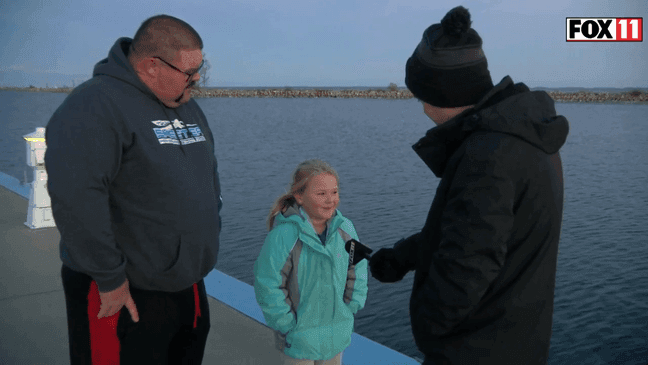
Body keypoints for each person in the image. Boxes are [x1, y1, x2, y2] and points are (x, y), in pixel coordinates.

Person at [369, 6, 569, 365]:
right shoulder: (524, 137)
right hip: (518, 345)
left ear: (440, 94)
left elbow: (469, 265)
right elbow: (470, 229)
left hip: (474, 353)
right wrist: (403, 257)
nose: (421, 107)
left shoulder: (488, 157)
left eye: (421, 95)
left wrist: (429, 331)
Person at [44, 14, 222, 364]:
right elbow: (77, 199)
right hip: (122, 291)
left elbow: (208, 176)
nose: (197, 78)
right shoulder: (94, 105)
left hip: (186, 285)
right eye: (190, 71)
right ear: (151, 66)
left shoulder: (187, 106)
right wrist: (110, 279)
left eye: (201, 67)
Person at [253, 159, 369, 365]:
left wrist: (352, 304)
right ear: (299, 196)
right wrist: (287, 324)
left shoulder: (346, 229)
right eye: (321, 194)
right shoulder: (284, 235)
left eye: (334, 192)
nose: (330, 200)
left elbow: (358, 268)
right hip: (299, 340)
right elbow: (268, 283)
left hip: (337, 334)